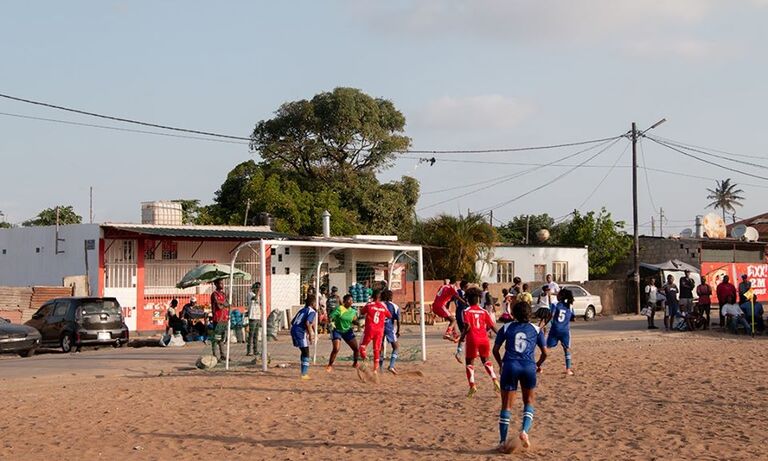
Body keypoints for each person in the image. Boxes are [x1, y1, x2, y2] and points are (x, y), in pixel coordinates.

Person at [493, 301, 548, 452]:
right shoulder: (536, 329)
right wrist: (537, 365)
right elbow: (545, 353)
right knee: (529, 401)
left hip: (510, 366)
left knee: (506, 405)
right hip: (528, 367)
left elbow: (495, 350)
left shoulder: (506, 327)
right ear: (529, 314)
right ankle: (524, 432)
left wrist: (500, 365)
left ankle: (503, 442)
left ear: (514, 314)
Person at [455, 287, 499, 397]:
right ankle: (494, 379)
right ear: (478, 299)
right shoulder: (484, 311)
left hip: (472, 339)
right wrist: (501, 335)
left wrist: (462, 338)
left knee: (469, 362)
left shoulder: (466, 311)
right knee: (486, 360)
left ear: (468, 300)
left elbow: (468, 326)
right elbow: (492, 326)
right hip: (484, 339)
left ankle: (472, 385)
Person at [358, 290, 392, 374]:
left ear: (372, 296)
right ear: (380, 298)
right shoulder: (383, 306)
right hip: (380, 330)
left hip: (370, 329)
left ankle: (365, 357)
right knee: (376, 349)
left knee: (362, 346)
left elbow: (362, 312)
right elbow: (389, 315)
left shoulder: (369, 305)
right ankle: (375, 369)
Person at [327, 294, 360, 371]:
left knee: (356, 348)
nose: (351, 302)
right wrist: (331, 322)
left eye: (352, 300)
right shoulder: (340, 309)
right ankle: (330, 365)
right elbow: (331, 316)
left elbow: (354, 320)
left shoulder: (353, 311)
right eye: (349, 300)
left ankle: (355, 363)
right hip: (337, 330)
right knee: (336, 348)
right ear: (344, 301)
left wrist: (360, 323)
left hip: (347, 331)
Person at [547, 289, 575, 375]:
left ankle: (538, 365)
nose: (557, 295)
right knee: (566, 349)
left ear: (561, 296)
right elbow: (573, 317)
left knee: (547, 348)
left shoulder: (555, 304)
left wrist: (544, 325)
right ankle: (568, 369)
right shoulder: (570, 306)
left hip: (555, 329)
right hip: (565, 331)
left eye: (558, 294)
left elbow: (550, 315)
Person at [290, 296, 317, 380]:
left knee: (304, 351)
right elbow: (308, 322)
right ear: (313, 304)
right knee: (306, 352)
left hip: (293, 329)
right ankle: (304, 374)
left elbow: (292, 321)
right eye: (316, 303)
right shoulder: (312, 311)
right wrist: (310, 335)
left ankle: (303, 372)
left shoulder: (302, 310)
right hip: (300, 332)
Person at [379, 289, 401, 374]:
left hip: (379, 328)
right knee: (396, 347)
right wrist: (399, 330)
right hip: (389, 328)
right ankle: (391, 366)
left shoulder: (379, 304)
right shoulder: (394, 306)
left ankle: (380, 368)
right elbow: (398, 320)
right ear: (391, 297)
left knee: (380, 347)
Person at [210, 279, 229, 359]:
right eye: (220, 283)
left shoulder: (223, 294)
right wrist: (223, 303)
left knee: (222, 338)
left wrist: (223, 303)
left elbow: (228, 304)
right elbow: (219, 306)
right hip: (217, 319)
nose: (222, 285)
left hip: (224, 318)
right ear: (216, 284)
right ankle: (215, 355)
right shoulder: (214, 294)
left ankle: (222, 355)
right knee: (216, 338)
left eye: (222, 283)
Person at [246, 282, 262, 356]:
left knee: (256, 335)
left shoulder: (258, 295)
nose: (259, 289)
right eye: (258, 287)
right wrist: (258, 293)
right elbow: (254, 299)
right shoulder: (250, 294)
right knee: (251, 335)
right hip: (252, 317)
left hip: (257, 316)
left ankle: (255, 350)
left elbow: (260, 303)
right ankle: (249, 350)